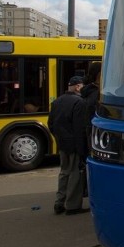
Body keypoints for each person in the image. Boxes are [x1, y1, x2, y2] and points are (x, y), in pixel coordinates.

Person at [49, 76, 89, 215]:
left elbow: (51, 124)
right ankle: (72, 206)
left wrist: (59, 139)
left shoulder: (57, 101)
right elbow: (79, 129)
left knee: (64, 172)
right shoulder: (79, 102)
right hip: (74, 145)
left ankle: (59, 202)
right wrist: (82, 150)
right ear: (78, 87)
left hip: (62, 144)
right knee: (75, 175)